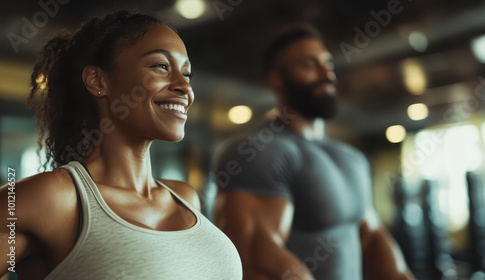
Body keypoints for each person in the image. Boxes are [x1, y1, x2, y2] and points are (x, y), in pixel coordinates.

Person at [0, 10, 242, 280]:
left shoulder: (185, 198)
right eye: (160, 66)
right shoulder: (50, 199)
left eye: (186, 73)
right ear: (98, 80)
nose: (184, 87)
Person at [212, 24, 414, 280]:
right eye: (309, 65)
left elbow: (371, 237)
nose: (326, 73)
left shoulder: (352, 158)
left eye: (327, 64)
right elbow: (254, 261)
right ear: (277, 78)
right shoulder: (256, 151)